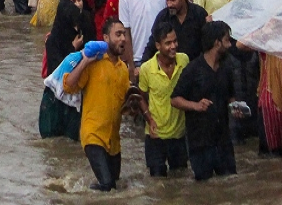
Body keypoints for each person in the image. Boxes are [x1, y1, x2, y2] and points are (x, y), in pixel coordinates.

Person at [62, 19, 131, 191]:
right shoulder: (94, 62)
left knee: (115, 186)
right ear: (106, 38)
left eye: (124, 34)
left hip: (113, 140)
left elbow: (125, 105)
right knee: (108, 185)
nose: (123, 38)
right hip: (93, 134)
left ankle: (87, 195)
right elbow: (69, 85)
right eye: (118, 34)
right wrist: (85, 60)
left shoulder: (123, 69)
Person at [172, 21, 243, 181]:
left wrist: (235, 107)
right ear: (217, 43)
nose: (230, 44)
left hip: (224, 141)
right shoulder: (193, 69)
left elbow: (230, 96)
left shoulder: (226, 68)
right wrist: (196, 106)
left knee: (229, 183)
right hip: (200, 143)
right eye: (226, 40)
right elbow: (175, 99)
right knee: (204, 188)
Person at [136, 20, 190, 177]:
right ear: (158, 46)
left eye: (175, 41)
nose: (173, 46)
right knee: (157, 183)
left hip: (179, 136)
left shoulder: (184, 60)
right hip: (155, 137)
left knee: (180, 181)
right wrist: (149, 120)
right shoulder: (146, 69)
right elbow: (140, 97)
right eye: (168, 43)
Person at [40, 0, 91, 140]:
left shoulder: (86, 26)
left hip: (79, 96)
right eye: (73, 1)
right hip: (57, 98)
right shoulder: (53, 40)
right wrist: (73, 48)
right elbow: (57, 73)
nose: (78, 4)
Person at [140, 0, 209, 63]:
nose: (169, 4)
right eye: (167, 0)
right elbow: (152, 44)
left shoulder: (199, 14)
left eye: (173, 0)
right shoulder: (163, 17)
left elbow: (207, 46)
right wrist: (142, 65)